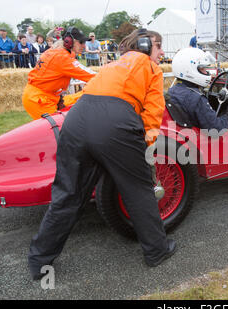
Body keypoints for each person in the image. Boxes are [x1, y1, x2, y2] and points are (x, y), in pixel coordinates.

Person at [28, 28, 175, 280]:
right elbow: (152, 114)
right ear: (144, 46)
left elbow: (86, 95)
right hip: (114, 122)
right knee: (138, 190)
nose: (161, 52)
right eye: (158, 46)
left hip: (76, 121)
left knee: (67, 195)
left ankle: (39, 261)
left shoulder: (111, 66)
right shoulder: (152, 69)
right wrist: (143, 147)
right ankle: (157, 251)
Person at [22, 27, 96, 120]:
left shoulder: (59, 52)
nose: (84, 46)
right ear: (68, 41)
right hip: (40, 100)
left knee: (85, 95)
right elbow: (92, 76)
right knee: (59, 129)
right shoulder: (62, 57)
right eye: (81, 42)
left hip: (49, 96)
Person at [168, 47, 228, 132]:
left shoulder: (173, 90)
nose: (207, 72)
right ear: (189, 70)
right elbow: (216, 129)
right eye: (203, 69)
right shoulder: (197, 99)